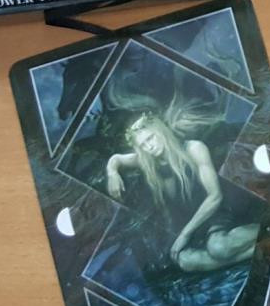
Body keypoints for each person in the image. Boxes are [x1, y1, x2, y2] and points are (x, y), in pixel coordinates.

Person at [105, 112, 259, 273]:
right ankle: (251, 252)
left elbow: (215, 197)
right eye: (143, 145)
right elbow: (116, 159)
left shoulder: (194, 148)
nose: (149, 147)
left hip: (214, 215)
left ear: (161, 131)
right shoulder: (147, 161)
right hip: (190, 225)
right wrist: (112, 173)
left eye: (151, 138)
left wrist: (184, 235)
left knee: (219, 248)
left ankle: (265, 230)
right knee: (185, 261)